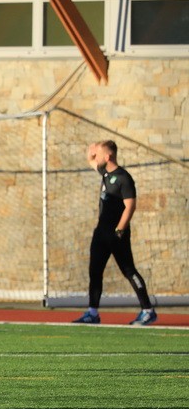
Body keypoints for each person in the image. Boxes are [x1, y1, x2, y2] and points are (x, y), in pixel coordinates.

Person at [73, 140, 157, 326]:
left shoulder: (123, 178)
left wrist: (120, 229)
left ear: (108, 156)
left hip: (116, 233)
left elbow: (130, 206)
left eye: (99, 154)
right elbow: (91, 161)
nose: (96, 158)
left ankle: (148, 310)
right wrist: (91, 150)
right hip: (100, 233)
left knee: (128, 270)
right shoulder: (105, 173)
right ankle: (92, 313)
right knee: (95, 271)